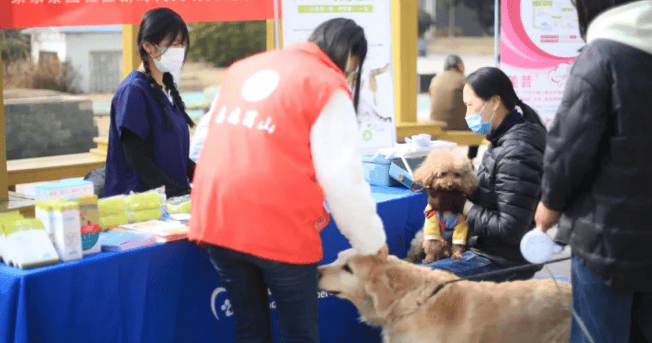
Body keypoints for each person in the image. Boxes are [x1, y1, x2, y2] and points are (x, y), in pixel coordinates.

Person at [189, 18, 387, 343]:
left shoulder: (243, 68)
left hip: (217, 218)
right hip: (277, 226)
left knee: (250, 331)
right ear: (350, 56)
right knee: (300, 334)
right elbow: (341, 180)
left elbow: (200, 144)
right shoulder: (325, 83)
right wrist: (371, 244)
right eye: (354, 67)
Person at [534, 1, 652, 342]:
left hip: (606, 240)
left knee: (599, 333)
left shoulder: (602, 55)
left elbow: (570, 146)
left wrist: (549, 205)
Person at [424, 66, 547, 282]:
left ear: (494, 102)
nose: (467, 114)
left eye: (470, 105)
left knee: (416, 281)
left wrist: (462, 206)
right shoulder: (502, 140)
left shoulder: (517, 151)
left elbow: (510, 228)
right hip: (489, 250)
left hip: (503, 260)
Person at [104, 8, 195, 198]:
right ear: (148, 46)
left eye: (182, 45)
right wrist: (177, 191)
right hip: (139, 208)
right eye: (173, 44)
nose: (179, 51)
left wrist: (205, 178)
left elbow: (173, 154)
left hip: (171, 204)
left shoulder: (167, 90)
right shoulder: (133, 92)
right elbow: (136, 160)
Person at [428, 54, 479, 161]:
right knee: (478, 123)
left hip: (434, 127)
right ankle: (470, 158)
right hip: (457, 127)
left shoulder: (435, 79)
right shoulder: (464, 80)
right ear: (460, 65)